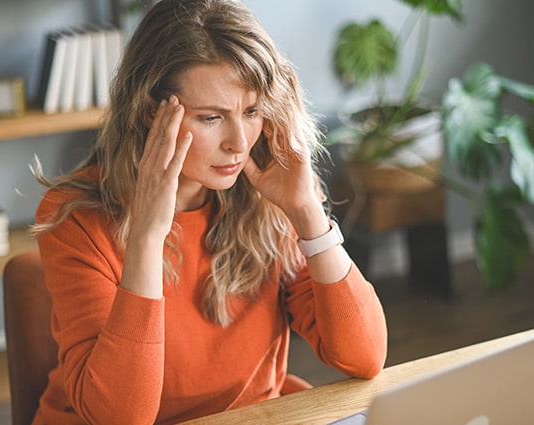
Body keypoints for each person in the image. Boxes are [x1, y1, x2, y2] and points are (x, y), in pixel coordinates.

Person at [30, 0, 387, 423]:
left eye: (251, 111)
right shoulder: (75, 218)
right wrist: (147, 236)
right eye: (211, 117)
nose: (239, 141)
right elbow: (120, 417)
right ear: (150, 111)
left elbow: (364, 357)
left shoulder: (265, 200)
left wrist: (308, 211)